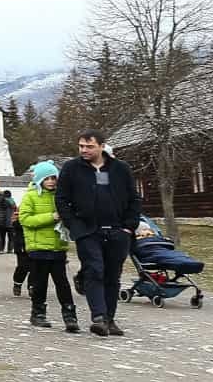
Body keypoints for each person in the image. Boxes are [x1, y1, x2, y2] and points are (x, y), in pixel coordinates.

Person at [55, 129, 142, 337]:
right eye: (81, 146)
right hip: (87, 230)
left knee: (112, 275)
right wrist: (73, 225)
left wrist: (128, 226)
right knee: (94, 269)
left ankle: (110, 319)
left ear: (102, 146)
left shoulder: (120, 169)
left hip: (117, 230)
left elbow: (134, 199)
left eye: (89, 146)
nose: (84, 150)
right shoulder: (71, 168)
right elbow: (61, 198)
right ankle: (99, 317)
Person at [16, 160, 78, 331]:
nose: (51, 182)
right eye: (47, 178)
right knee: (39, 283)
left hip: (58, 246)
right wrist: (51, 217)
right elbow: (25, 219)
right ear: (39, 180)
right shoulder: (30, 196)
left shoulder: (60, 196)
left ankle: (70, 315)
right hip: (38, 248)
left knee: (62, 284)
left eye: (53, 178)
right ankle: (38, 313)